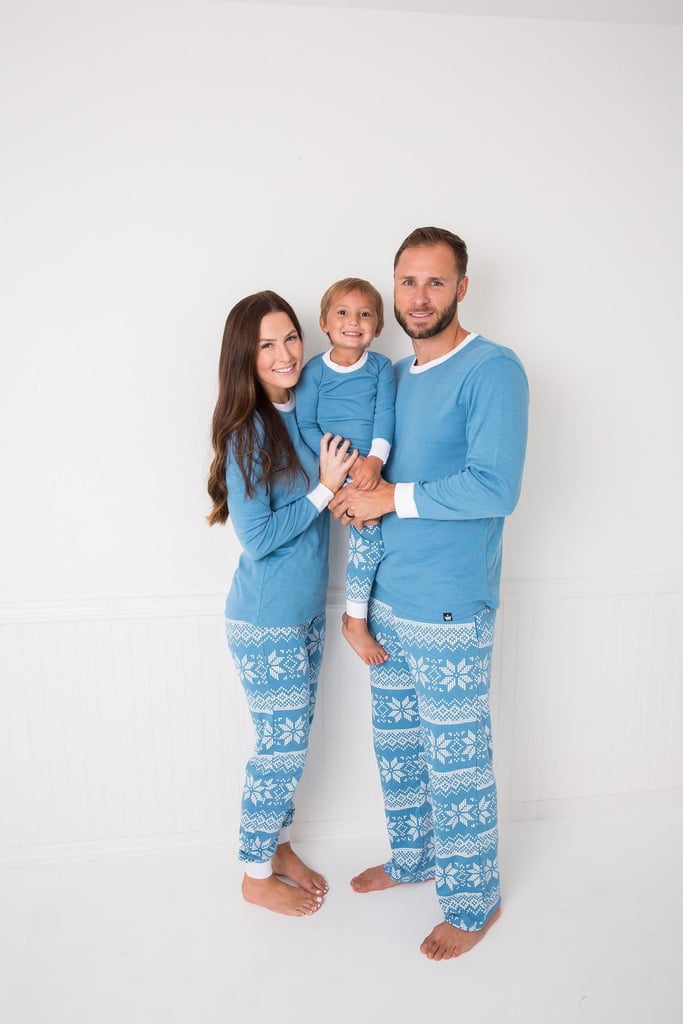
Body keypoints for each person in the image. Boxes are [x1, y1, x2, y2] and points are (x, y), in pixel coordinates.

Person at [330, 227, 529, 959]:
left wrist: (390, 499)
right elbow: (364, 489)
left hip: (449, 606)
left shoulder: (492, 370)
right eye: (407, 282)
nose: (419, 297)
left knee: (457, 763)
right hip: (386, 606)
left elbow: (494, 486)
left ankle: (474, 902)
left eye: (435, 282)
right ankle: (413, 858)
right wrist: (356, 611)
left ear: (461, 288)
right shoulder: (392, 379)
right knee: (399, 753)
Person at [207, 290, 357, 917]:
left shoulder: (300, 413)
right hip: (266, 620)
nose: (286, 352)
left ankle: (279, 844)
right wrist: (324, 491)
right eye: (267, 343)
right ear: (246, 355)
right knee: (281, 748)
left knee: (289, 738)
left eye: (291, 337)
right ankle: (252, 871)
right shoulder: (246, 432)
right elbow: (259, 536)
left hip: (304, 613)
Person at [296, 277, 395, 666]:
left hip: (371, 468)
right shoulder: (314, 372)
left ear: (379, 327)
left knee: (373, 541)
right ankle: (354, 620)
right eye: (342, 312)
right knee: (364, 533)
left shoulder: (381, 368)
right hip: (333, 468)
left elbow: (385, 417)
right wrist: (340, 463)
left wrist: (373, 461)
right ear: (324, 322)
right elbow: (307, 426)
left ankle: (359, 615)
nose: (353, 321)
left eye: (365, 314)